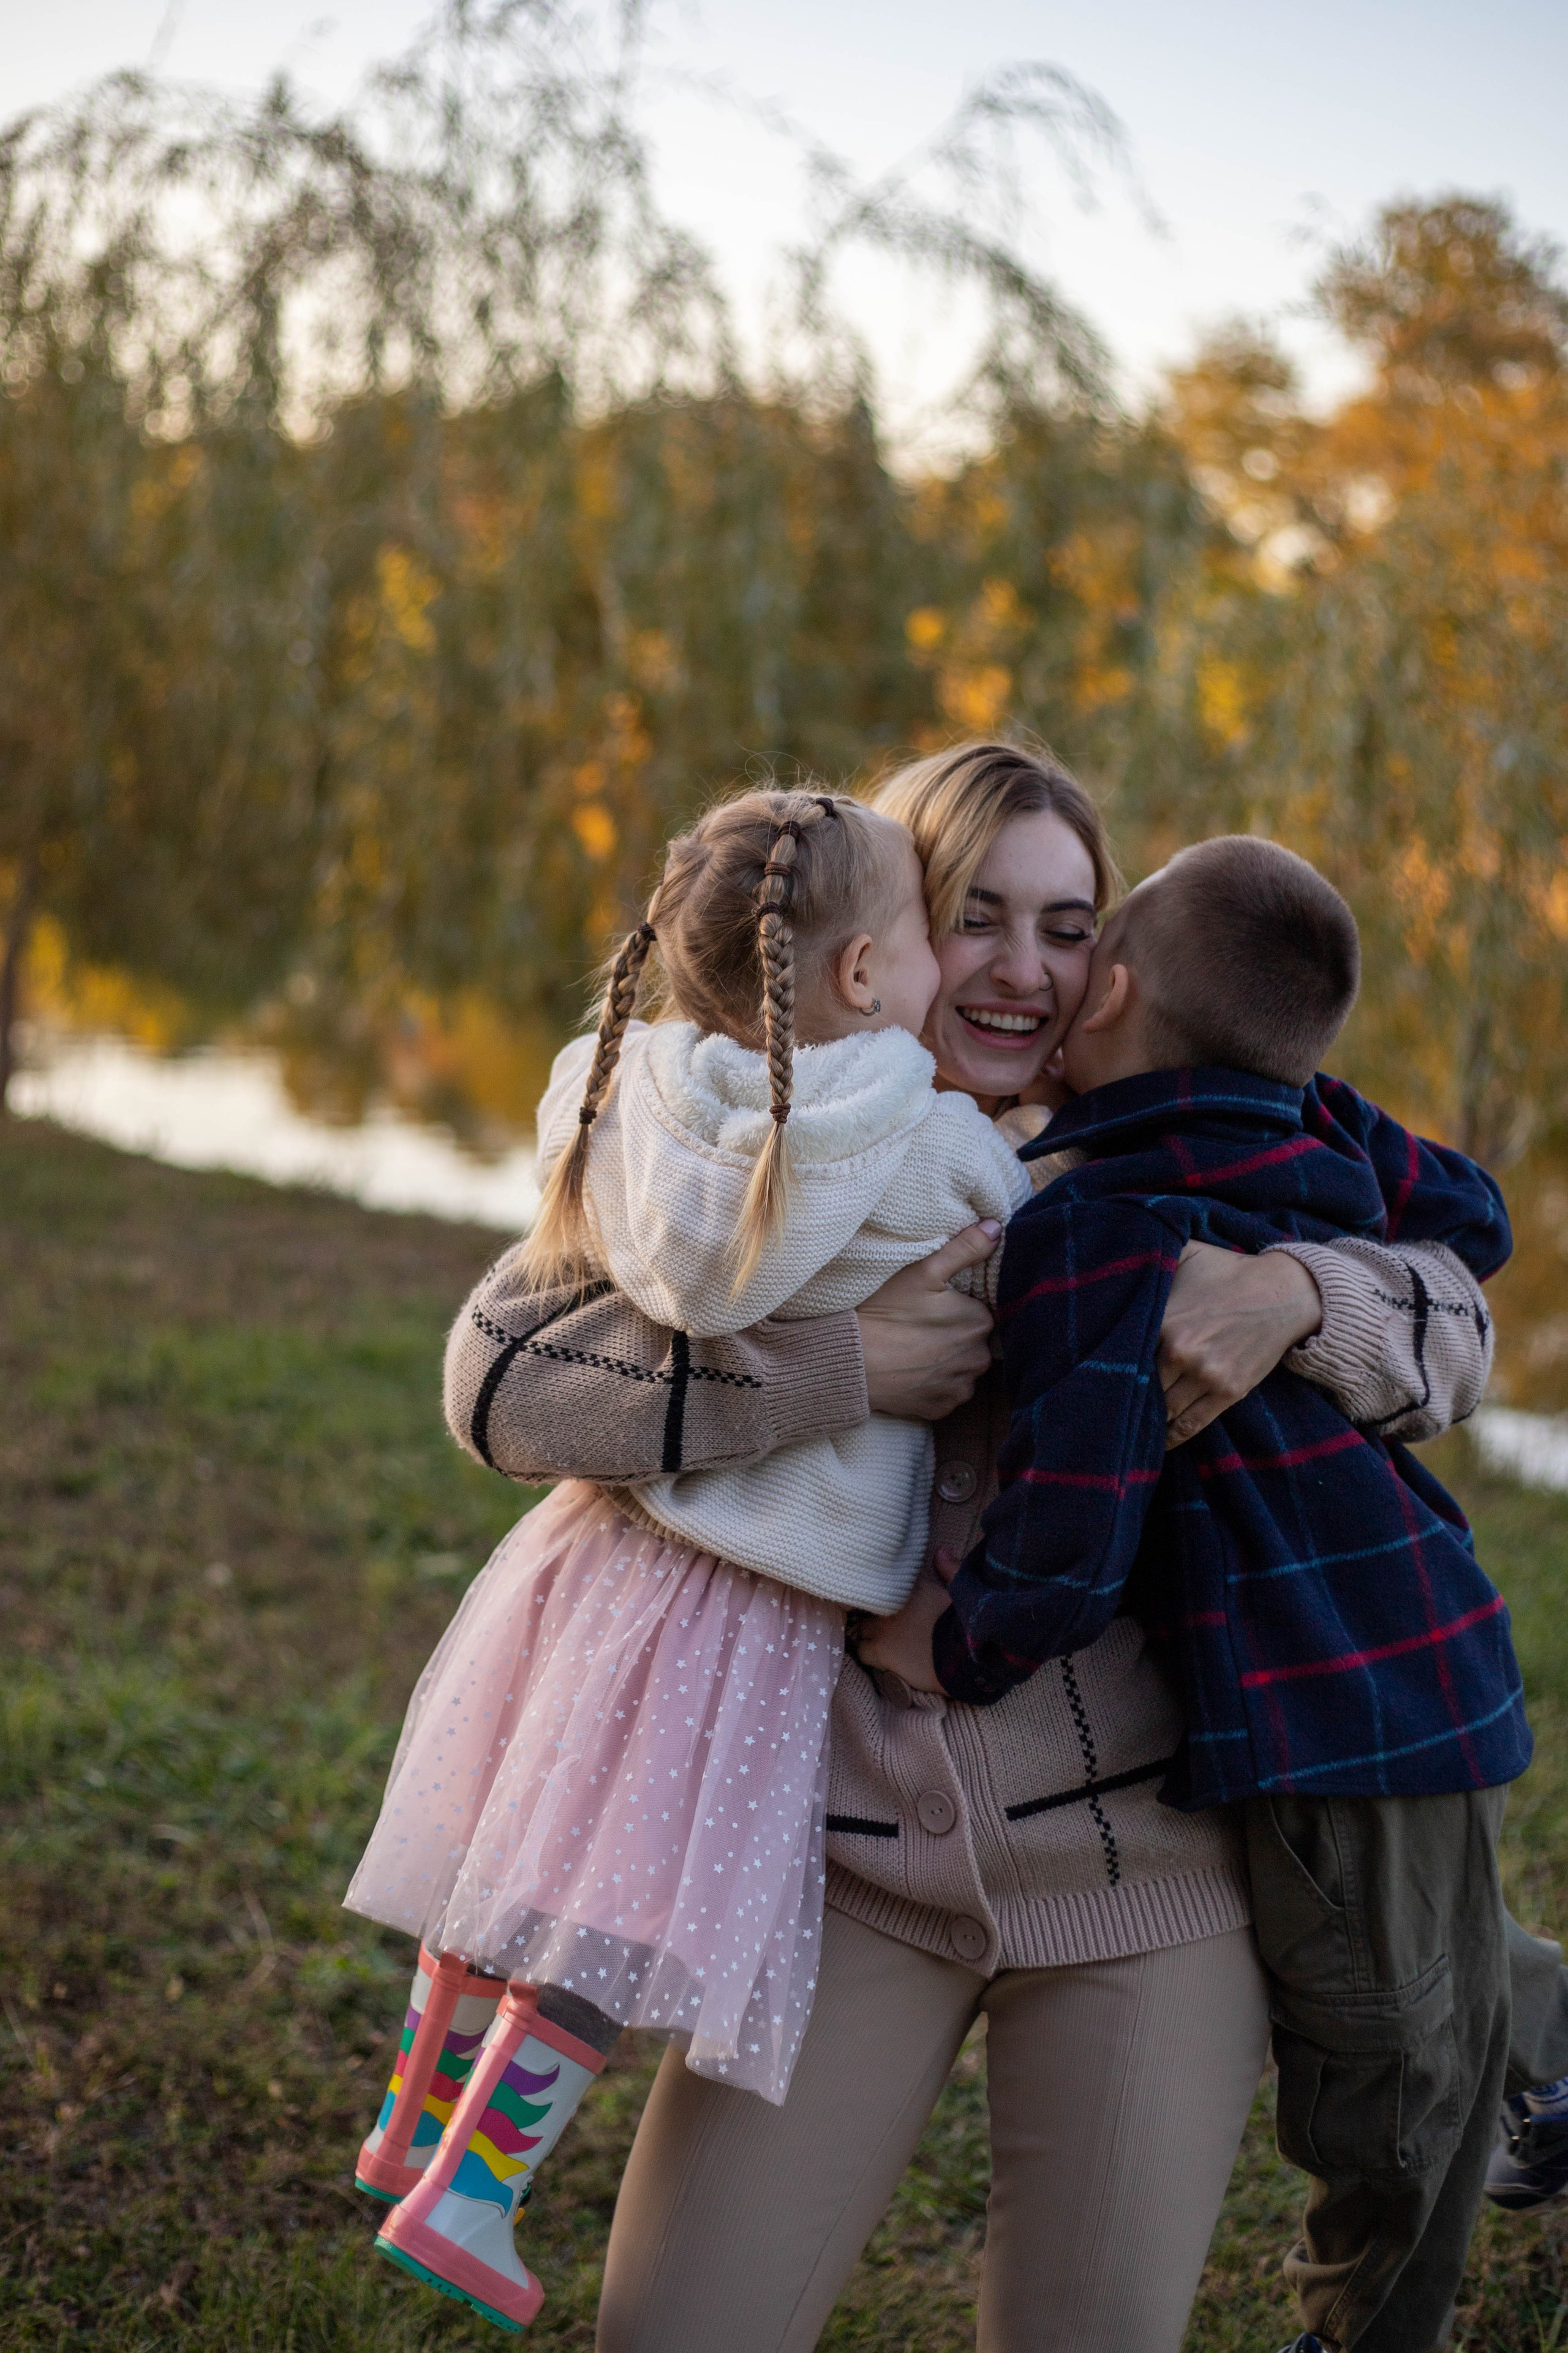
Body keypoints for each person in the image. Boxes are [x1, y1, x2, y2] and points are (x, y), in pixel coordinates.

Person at [439, 742, 1517, 2352]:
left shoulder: (1193, 1135)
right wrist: (842, 1366)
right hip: (843, 1872)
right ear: (882, 941)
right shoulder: (755, 1140)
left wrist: (1299, 1296)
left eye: (1069, 924)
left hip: (1147, 1887)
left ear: (1117, 963)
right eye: (980, 915)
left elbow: (1461, 1310)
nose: (1024, 968)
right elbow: (502, 1376)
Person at [347, 784, 1045, 2330]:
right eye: (946, 927)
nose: (975, 963)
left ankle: (412, 2115)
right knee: (615, 1901)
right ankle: (472, 2191)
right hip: (747, 1598)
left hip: (596, 1555)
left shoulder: (641, 1087)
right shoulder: (923, 1145)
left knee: (520, 1852)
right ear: (866, 973)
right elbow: (1010, 1231)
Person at [862, 835, 1525, 2353]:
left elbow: (1076, 1511)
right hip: (1422, 1643)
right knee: (1418, 1962)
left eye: (1080, 946)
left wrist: (956, 1643)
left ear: (1115, 992)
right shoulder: (1320, 1120)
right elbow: (1473, 1213)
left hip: (1322, 1703)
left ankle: (1364, 2327)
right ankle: (1532, 2057)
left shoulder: (1093, 1227)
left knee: (1374, 2047)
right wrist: (1318, 1226)